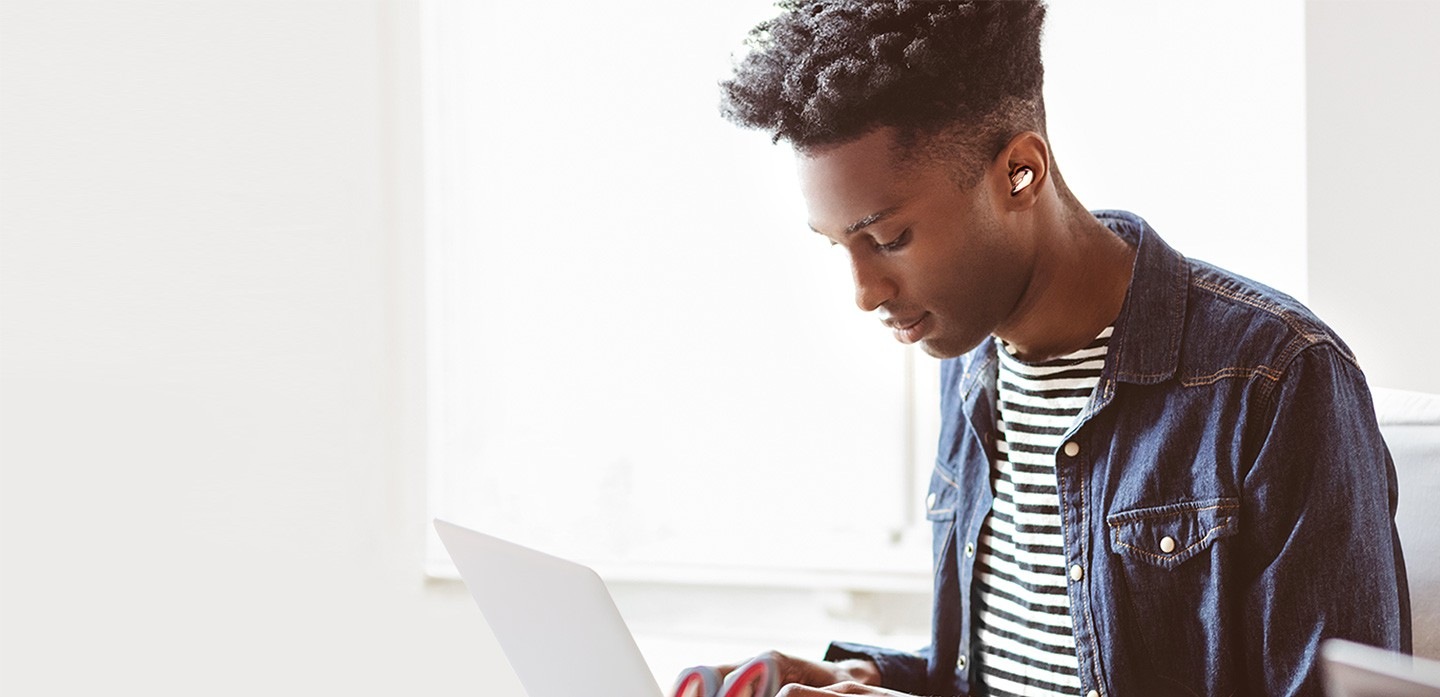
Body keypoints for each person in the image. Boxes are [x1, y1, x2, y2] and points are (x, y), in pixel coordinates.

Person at [691, 1, 1412, 696]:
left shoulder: (1275, 377)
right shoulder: (971, 365)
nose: (865, 292)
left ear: (1019, 173)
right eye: (838, 245)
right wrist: (867, 679)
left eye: (888, 240)